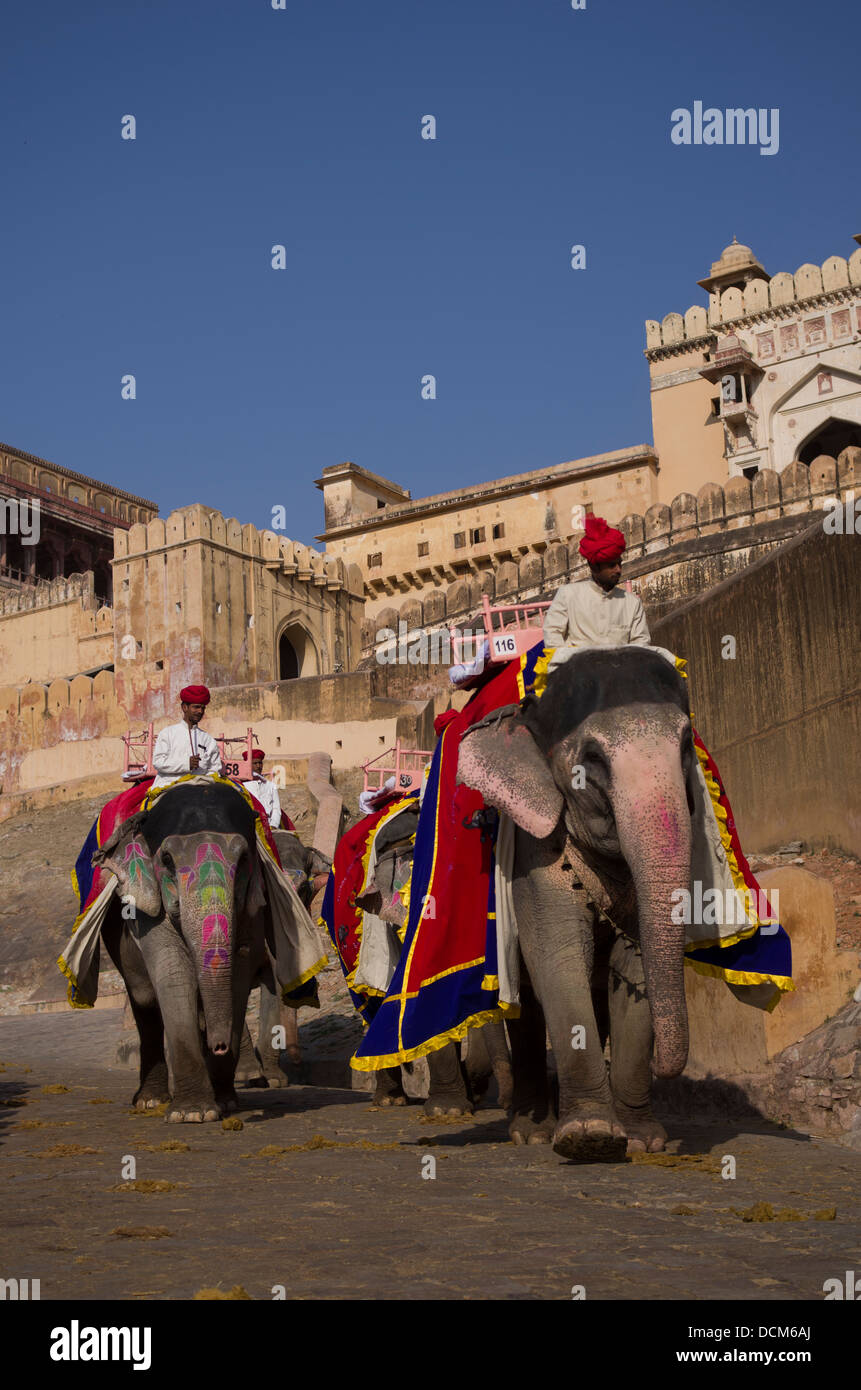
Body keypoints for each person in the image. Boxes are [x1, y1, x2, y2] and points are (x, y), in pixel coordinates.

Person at [543, 514, 649, 668]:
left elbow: (641, 643)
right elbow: (552, 635)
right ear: (594, 567)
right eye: (612, 565)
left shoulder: (632, 603)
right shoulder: (568, 595)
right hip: (578, 672)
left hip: (621, 673)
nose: (618, 570)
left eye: (619, 564)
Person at [151, 685, 222, 789]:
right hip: (168, 787)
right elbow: (158, 762)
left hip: (199, 790)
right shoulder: (167, 733)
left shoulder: (208, 740)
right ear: (184, 707)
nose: (200, 711)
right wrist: (186, 763)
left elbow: (214, 770)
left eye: (203, 708)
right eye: (196, 707)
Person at [243, 748, 282, 829]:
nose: (258, 766)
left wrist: (273, 825)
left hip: (269, 825)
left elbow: (276, 809)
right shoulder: (242, 785)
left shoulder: (270, 786)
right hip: (249, 826)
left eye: (260, 763)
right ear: (248, 765)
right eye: (255, 763)